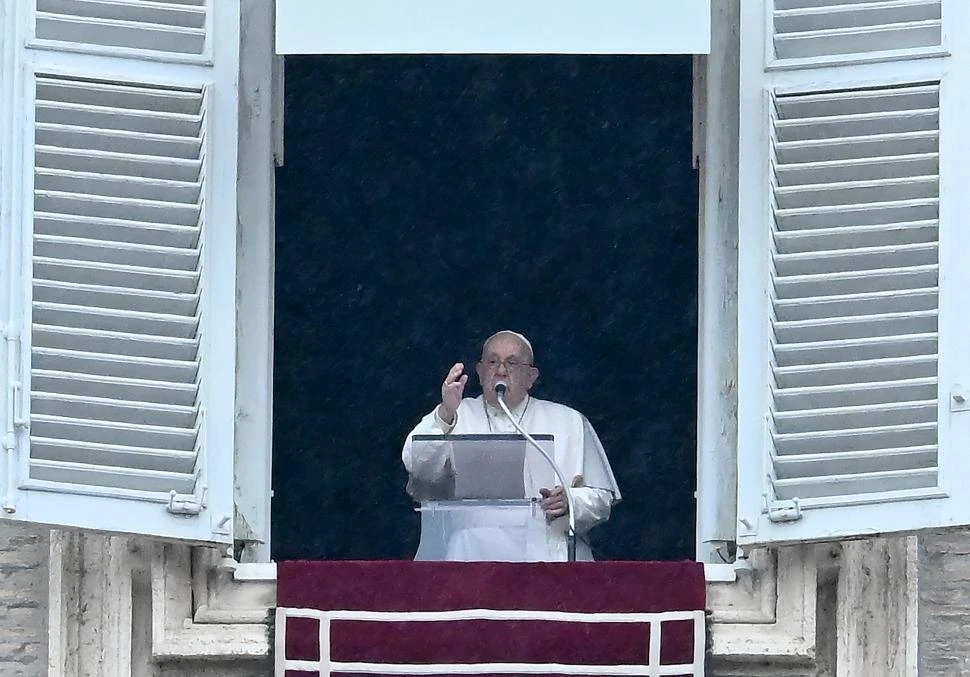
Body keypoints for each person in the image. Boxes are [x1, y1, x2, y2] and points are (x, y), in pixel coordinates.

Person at [402, 330, 621, 561]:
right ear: (480, 371)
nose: (501, 370)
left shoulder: (568, 421)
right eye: (493, 361)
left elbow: (601, 500)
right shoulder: (457, 414)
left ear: (531, 376)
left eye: (512, 363)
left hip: (547, 557)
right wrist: (445, 413)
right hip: (470, 557)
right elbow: (417, 464)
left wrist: (570, 501)